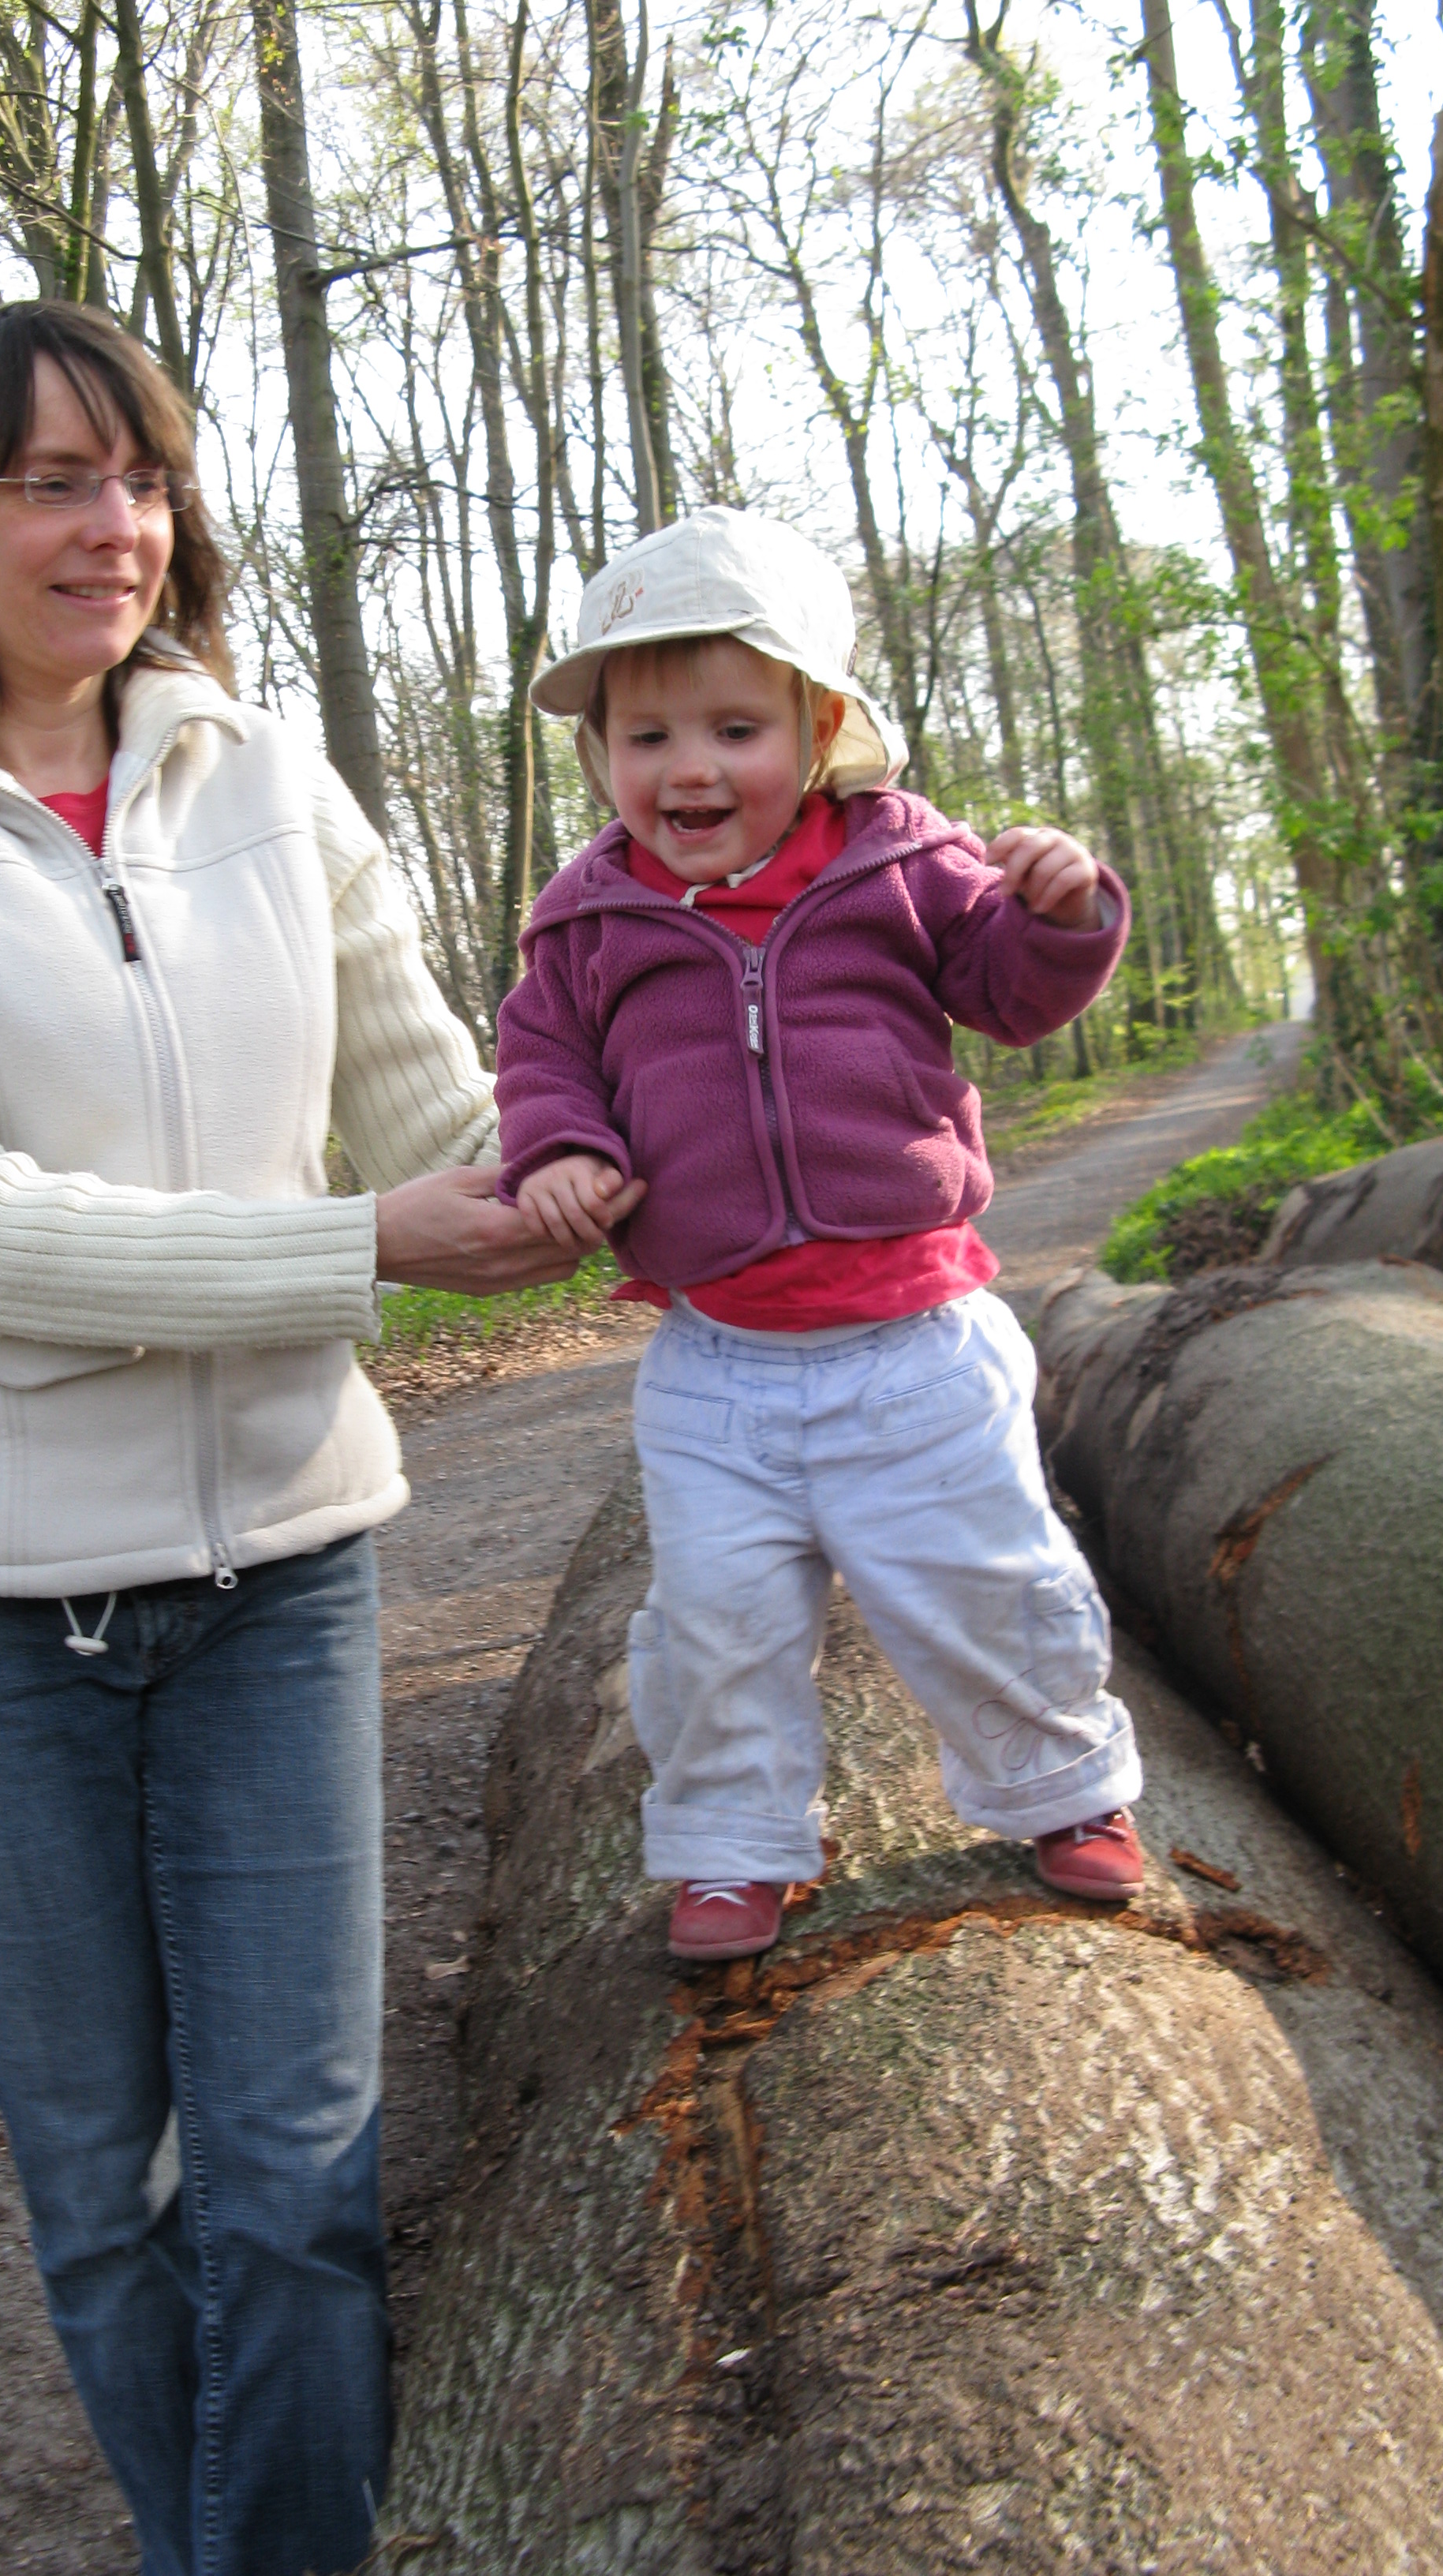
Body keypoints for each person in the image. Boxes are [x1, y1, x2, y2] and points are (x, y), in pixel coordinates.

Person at [0, 301, 607, 2576]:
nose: (110, 525)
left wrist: (775, 1057)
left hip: (282, 1572)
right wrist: (352, 1252)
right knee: (108, 2190)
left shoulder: (269, 778)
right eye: (48, 480)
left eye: (141, 477)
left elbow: (450, 1124)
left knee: (295, 2178)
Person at [494, 505, 1146, 1965]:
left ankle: (1062, 1787)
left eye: (736, 729)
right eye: (648, 737)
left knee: (990, 1585)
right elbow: (545, 1064)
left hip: (917, 1346)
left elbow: (1012, 992)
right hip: (716, 1360)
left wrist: (1061, 912)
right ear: (598, 755)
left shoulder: (902, 865)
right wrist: (565, 1153)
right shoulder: (586, 922)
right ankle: (731, 1844)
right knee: (715, 1623)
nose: (691, 769)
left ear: (820, 729)